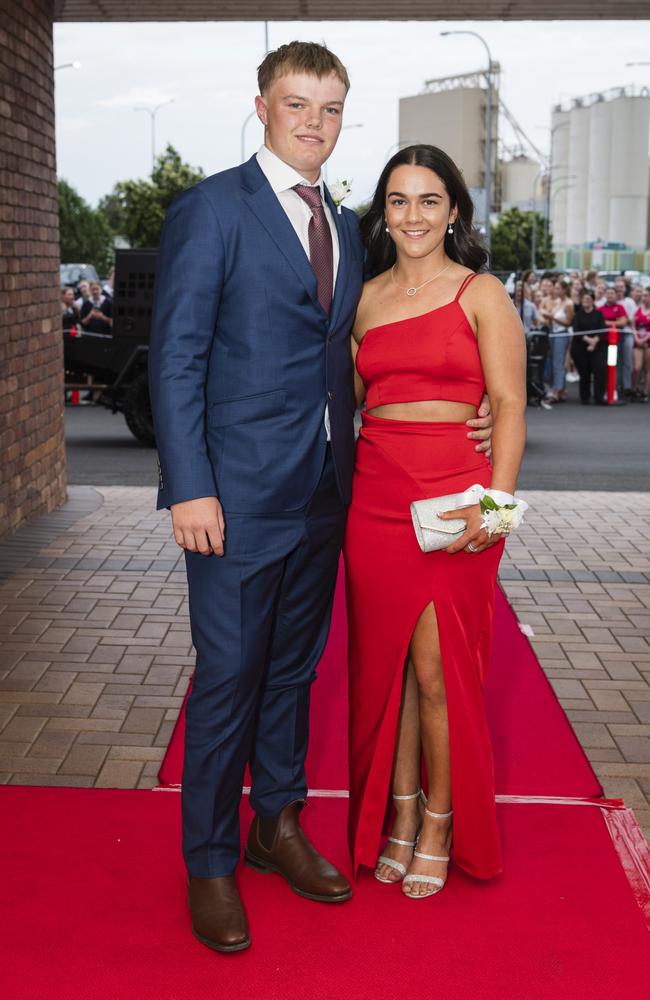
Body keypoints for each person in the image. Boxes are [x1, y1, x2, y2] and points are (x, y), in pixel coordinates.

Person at [148, 37, 498, 953]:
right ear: (262, 105)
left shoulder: (345, 229)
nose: (315, 122)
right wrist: (190, 486)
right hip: (232, 500)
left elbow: (350, 360)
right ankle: (212, 861)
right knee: (228, 679)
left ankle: (279, 823)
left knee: (294, 674)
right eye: (298, 103)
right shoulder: (211, 210)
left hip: (328, 499)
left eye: (331, 107)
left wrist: (474, 419)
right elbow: (177, 358)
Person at [345, 145, 526, 899]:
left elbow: (510, 404)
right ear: (382, 214)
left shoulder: (482, 293)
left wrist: (498, 507)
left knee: (437, 670)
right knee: (390, 670)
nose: (412, 216)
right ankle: (400, 812)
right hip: (375, 497)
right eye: (397, 201)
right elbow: (353, 399)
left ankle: (441, 822)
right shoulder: (363, 297)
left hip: (456, 497)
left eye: (427, 200)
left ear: (454, 210)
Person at [570, 291, 607, 404]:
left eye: (588, 298)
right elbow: (576, 330)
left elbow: (602, 330)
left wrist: (594, 342)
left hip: (597, 347)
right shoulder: (578, 315)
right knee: (584, 373)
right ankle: (585, 397)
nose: (586, 301)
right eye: (584, 299)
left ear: (593, 300)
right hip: (581, 347)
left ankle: (599, 397)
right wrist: (588, 340)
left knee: (599, 372)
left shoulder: (598, 314)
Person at [540, 279, 574, 403]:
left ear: (564, 289)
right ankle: (561, 388)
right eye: (556, 288)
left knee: (558, 363)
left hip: (562, 334)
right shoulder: (558, 301)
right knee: (555, 361)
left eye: (559, 288)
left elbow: (569, 322)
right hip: (553, 333)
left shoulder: (569, 303)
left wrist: (552, 317)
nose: (556, 290)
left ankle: (557, 391)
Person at [633, 288, 650, 401]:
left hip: (648, 343)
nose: (645, 298)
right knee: (637, 367)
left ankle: (645, 391)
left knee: (647, 368)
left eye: (647, 296)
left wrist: (644, 340)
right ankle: (634, 389)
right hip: (638, 342)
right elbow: (633, 327)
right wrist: (637, 338)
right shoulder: (637, 310)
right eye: (643, 296)